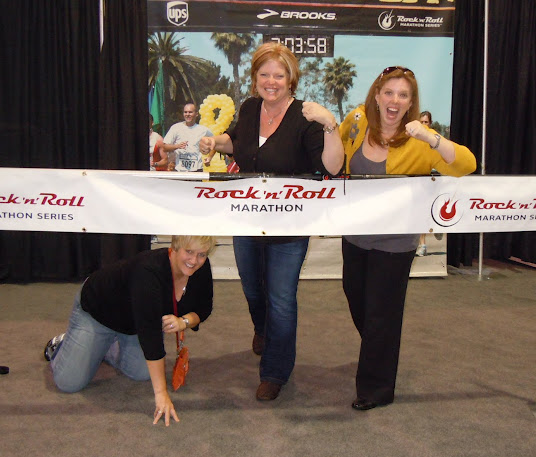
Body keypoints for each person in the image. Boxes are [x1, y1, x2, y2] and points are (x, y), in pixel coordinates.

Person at [199, 42, 344, 401]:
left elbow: (332, 168)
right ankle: (262, 329)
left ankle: (275, 373)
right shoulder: (250, 108)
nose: (271, 81)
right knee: (252, 288)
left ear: (291, 78)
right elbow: (237, 141)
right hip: (246, 220)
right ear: (255, 78)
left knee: (281, 299)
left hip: (289, 226)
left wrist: (330, 125)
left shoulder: (306, 116)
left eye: (279, 75)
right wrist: (214, 142)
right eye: (264, 74)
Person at [339, 66, 476, 411]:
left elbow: (467, 165)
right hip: (355, 237)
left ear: (411, 102)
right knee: (358, 302)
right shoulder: (357, 120)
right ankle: (380, 350)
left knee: (381, 315)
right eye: (389, 92)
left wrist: (433, 139)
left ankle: (376, 389)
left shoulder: (420, 137)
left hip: (395, 243)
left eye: (403, 95)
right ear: (376, 95)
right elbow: (337, 150)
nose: (394, 100)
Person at [43, 235, 216, 426]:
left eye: (201, 254)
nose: (194, 260)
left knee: (141, 373)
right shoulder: (149, 271)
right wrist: (161, 394)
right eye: (189, 252)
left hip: (134, 324)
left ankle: (101, 348)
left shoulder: (200, 267)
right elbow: (150, 336)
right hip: (99, 312)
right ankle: (63, 343)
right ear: (175, 247)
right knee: (68, 382)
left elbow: (204, 308)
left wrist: (184, 321)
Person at [162, 103, 214, 172]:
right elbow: (164, 147)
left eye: (190, 112)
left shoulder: (203, 130)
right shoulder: (176, 128)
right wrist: (177, 146)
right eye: (185, 112)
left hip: (196, 170)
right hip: (180, 170)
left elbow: (215, 143)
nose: (187, 114)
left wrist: (209, 158)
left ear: (196, 114)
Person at [416, 110, 434, 256]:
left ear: (430, 123)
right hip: (413, 180)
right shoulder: (412, 138)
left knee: (423, 214)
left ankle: (422, 244)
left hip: (428, 180)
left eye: (426, 122)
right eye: (421, 122)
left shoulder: (433, 139)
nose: (423, 124)